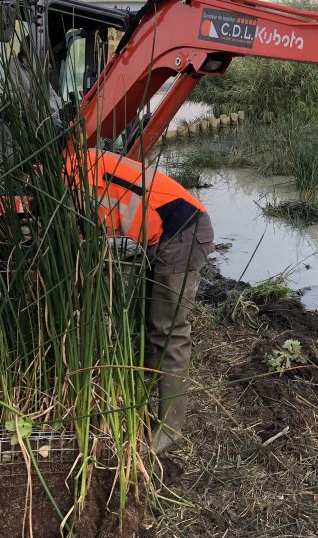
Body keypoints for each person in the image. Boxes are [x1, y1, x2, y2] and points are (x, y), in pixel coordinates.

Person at [76, 148, 214, 454]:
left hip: (183, 233)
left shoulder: (75, 175)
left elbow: (84, 225)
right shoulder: (76, 164)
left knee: (167, 331)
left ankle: (169, 430)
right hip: (159, 237)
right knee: (145, 324)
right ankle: (139, 403)